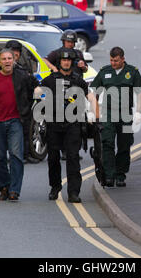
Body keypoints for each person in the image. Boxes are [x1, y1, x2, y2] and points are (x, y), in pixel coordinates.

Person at [36, 48, 98, 203]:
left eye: (68, 60)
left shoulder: (78, 80)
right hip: (53, 124)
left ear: (71, 63)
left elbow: (91, 97)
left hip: (73, 125)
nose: (66, 62)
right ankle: (55, 187)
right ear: (60, 62)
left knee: (73, 158)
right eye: (63, 60)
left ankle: (73, 192)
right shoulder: (50, 79)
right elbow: (37, 92)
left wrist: (96, 116)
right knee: (53, 159)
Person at [0, 49, 39, 201]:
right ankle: (4, 186)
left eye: (9, 58)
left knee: (15, 155)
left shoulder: (22, 76)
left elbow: (34, 88)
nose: (7, 61)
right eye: (4, 59)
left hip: (15, 121)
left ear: (14, 60)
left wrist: (26, 112)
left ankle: (14, 190)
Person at [90, 47, 141, 187]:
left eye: (116, 60)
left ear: (122, 59)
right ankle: (109, 175)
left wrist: (139, 111)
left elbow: (139, 92)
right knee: (107, 143)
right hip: (108, 112)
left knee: (124, 144)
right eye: (111, 60)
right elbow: (95, 92)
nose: (113, 63)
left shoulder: (132, 72)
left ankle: (120, 175)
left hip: (126, 113)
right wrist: (94, 111)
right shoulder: (105, 71)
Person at [5, 39, 40, 164]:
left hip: (23, 105)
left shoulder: (23, 68)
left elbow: (33, 83)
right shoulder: (2, 69)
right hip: (6, 106)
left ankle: (25, 154)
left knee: (25, 130)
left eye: (17, 51)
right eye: (12, 51)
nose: (15, 54)